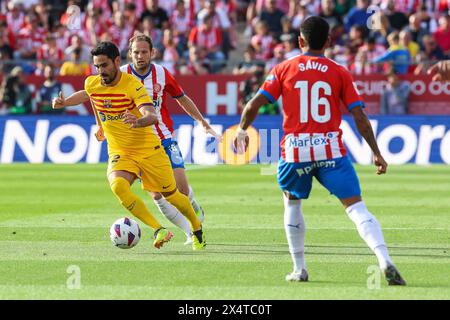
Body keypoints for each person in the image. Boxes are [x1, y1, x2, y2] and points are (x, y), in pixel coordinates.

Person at [233, 16, 406, 285]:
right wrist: (376, 151)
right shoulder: (339, 71)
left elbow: (253, 105)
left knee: (291, 202)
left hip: (295, 152)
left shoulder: (283, 69)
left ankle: (299, 268)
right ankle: (384, 259)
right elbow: (359, 115)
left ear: (300, 41)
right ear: (328, 41)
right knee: (357, 208)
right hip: (330, 150)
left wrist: (243, 130)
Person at [52, 41, 206, 250]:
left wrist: (138, 121)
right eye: (97, 66)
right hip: (120, 151)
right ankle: (158, 229)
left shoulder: (133, 85)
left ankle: (197, 228)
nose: (101, 71)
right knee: (118, 186)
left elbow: (151, 115)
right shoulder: (93, 82)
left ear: (117, 61)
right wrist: (65, 102)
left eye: (104, 65)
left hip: (148, 150)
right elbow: (87, 95)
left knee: (173, 195)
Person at [120, 33, 221, 245]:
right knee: (157, 195)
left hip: (164, 137)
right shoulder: (121, 76)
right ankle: (191, 232)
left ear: (152, 53)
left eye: (144, 52)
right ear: (129, 54)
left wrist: (201, 121)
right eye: (135, 52)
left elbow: (182, 98)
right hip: (137, 144)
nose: (139, 56)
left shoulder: (162, 73)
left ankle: (192, 203)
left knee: (180, 190)